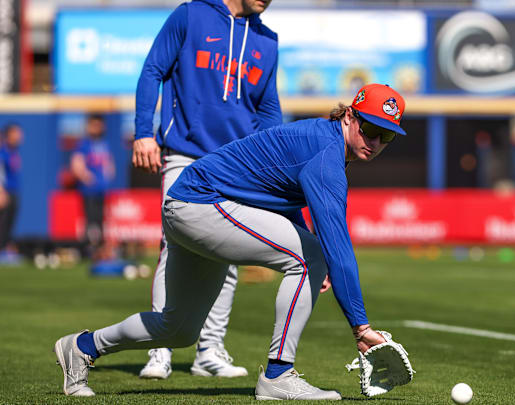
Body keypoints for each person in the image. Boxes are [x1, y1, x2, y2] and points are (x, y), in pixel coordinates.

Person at [53, 83, 406, 400]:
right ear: (349, 116)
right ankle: (278, 375)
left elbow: (281, 194)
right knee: (310, 257)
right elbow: (338, 246)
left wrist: (308, 245)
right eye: (371, 128)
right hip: (202, 204)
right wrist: (361, 327)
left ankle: (82, 347)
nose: (375, 142)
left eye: (386, 136)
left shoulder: (321, 140)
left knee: (178, 329)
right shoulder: (327, 153)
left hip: (189, 205)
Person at [132, 0, 281, 379]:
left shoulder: (267, 41)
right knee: (174, 249)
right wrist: (143, 133)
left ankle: (209, 351)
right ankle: (159, 349)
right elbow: (153, 70)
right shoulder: (191, 14)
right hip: (184, 153)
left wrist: (274, 166)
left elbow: (267, 110)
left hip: (236, 163)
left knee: (228, 256)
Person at [71, 114, 115, 257]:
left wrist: (108, 174)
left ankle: (99, 248)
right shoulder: (84, 144)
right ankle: (88, 248)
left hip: (101, 189)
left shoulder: (104, 143)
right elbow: (76, 164)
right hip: (89, 190)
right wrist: (87, 177)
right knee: (90, 219)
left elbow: (108, 163)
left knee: (100, 219)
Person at [0, 123, 23, 258]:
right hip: (5, 192)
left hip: (14, 191)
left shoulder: (14, 151)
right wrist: (1, 191)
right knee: (3, 221)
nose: (19, 136)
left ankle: (5, 248)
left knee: (10, 221)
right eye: (16, 133)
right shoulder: (3, 152)